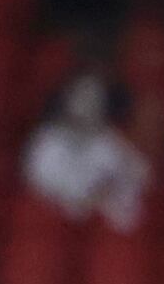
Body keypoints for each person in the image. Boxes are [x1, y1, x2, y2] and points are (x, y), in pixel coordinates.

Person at [22, 74, 149, 233]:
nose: (87, 103)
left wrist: (111, 191)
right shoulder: (47, 143)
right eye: (82, 96)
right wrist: (84, 200)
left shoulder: (112, 144)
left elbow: (141, 176)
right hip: (55, 228)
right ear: (69, 100)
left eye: (94, 98)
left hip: (104, 229)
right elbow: (39, 189)